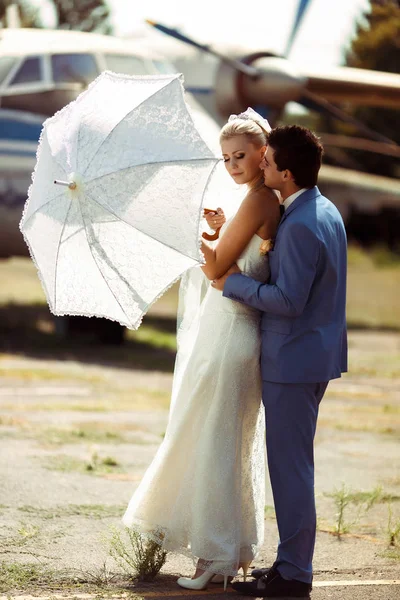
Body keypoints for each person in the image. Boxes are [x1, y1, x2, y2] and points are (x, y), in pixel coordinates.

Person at [122, 108, 280, 590]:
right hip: (226, 328)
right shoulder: (252, 202)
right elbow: (228, 259)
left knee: (216, 444)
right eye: (226, 157)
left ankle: (216, 555)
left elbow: (216, 273)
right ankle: (229, 550)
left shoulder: (257, 201)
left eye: (241, 156)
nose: (232, 165)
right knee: (218, 441)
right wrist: (216, 229)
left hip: (232, 332)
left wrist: (188, 231)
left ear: (263, 154)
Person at [212, 125, 348, 599]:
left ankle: (293, 574)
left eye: (267, 162)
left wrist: (231, 283)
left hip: (293, 359)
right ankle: (291, 566)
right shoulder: (322, 210)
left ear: (285, 173)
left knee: (289, 468)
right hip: (313, 354)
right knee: (293, 465)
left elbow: (288, 299)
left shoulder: (303, 223)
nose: (259, 166)